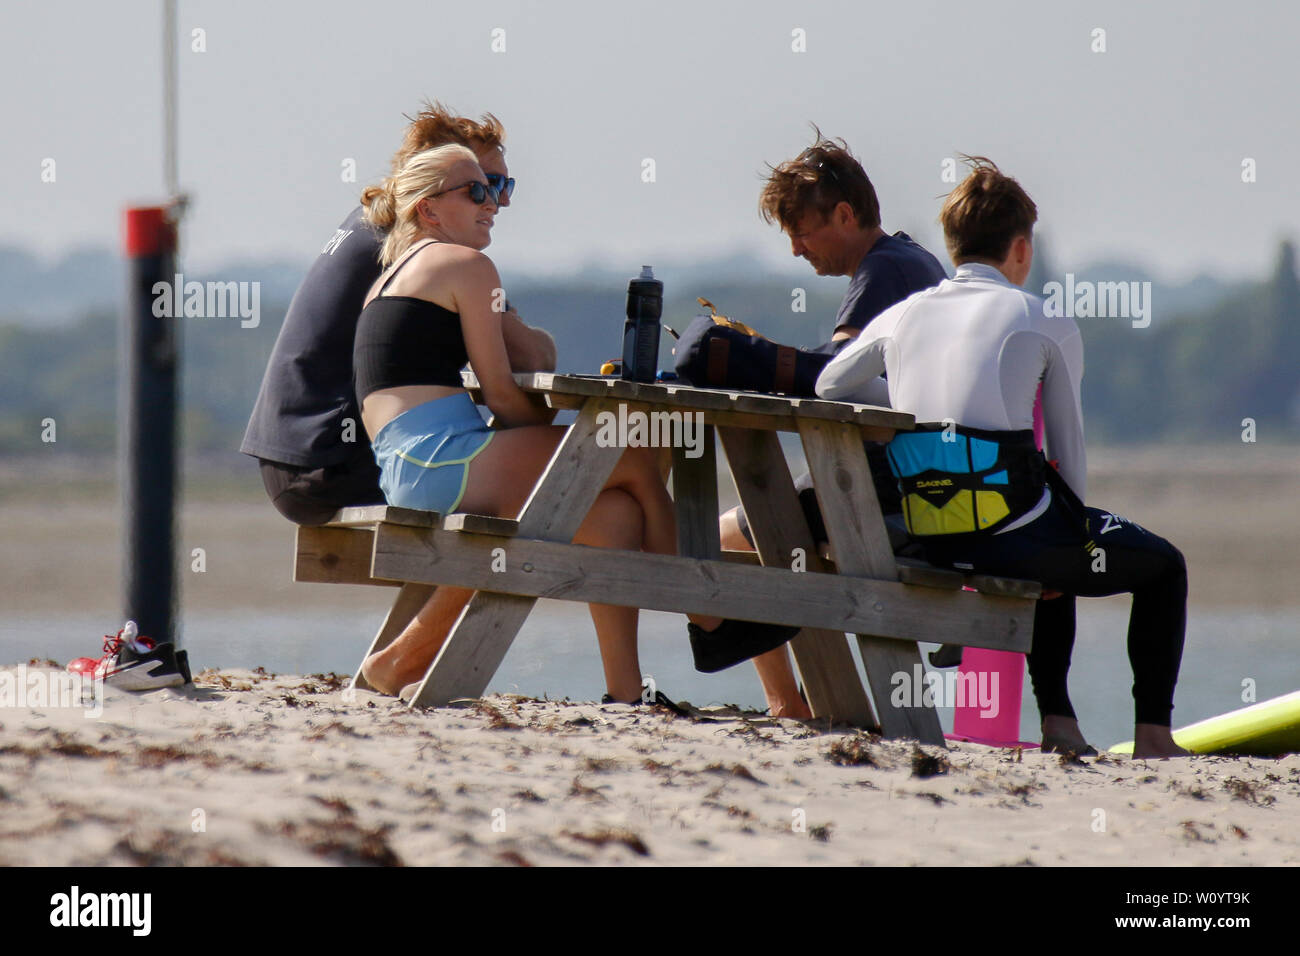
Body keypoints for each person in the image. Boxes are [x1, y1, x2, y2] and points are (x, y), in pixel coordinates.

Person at [352, 145, 795, 703]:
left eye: (499, 188)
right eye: (478, 191)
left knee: (612, 516)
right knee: (629, 456)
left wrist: (556, 435)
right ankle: (711, 619)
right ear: (428, 211)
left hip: (412, 463)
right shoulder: (463, 265)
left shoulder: (393, 275)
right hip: (440, 458)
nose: (495, 203)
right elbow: (500, 394)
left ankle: (626, 692)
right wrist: (566, 431)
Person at [817, 157, 1189, 758]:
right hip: (1007, 536)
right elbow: (1068, 461)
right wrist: (1066, 542)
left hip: (927, 531)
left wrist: (907, 413)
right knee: (1162, 566)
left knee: (1050, 534)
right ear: (1020, 248)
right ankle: (1147, 735)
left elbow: (830, 385)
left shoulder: (906, 313)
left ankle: (1064, 725)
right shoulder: (1042, 319)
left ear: (953, 244)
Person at [718, 131, 948, 718]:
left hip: (881, 491)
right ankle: (816, 700)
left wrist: (754, 357)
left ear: (845, 214)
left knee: (723, 538)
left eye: (802, 230)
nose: (796, 249)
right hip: (923, 480)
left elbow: (834, 374)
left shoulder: (884, 271)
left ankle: (785, 704)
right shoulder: (910, 258)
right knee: (766, 533)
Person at [240, 102, 555, 525]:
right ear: (436, 180)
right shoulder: (419, 243)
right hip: (329, 462)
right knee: (567, 480)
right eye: (484, 185)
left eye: (504, 185)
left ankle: (448, 591)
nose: (499, 201)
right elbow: (533, 358)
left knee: (547, 498)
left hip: (294, 456)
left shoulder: (375, 221)